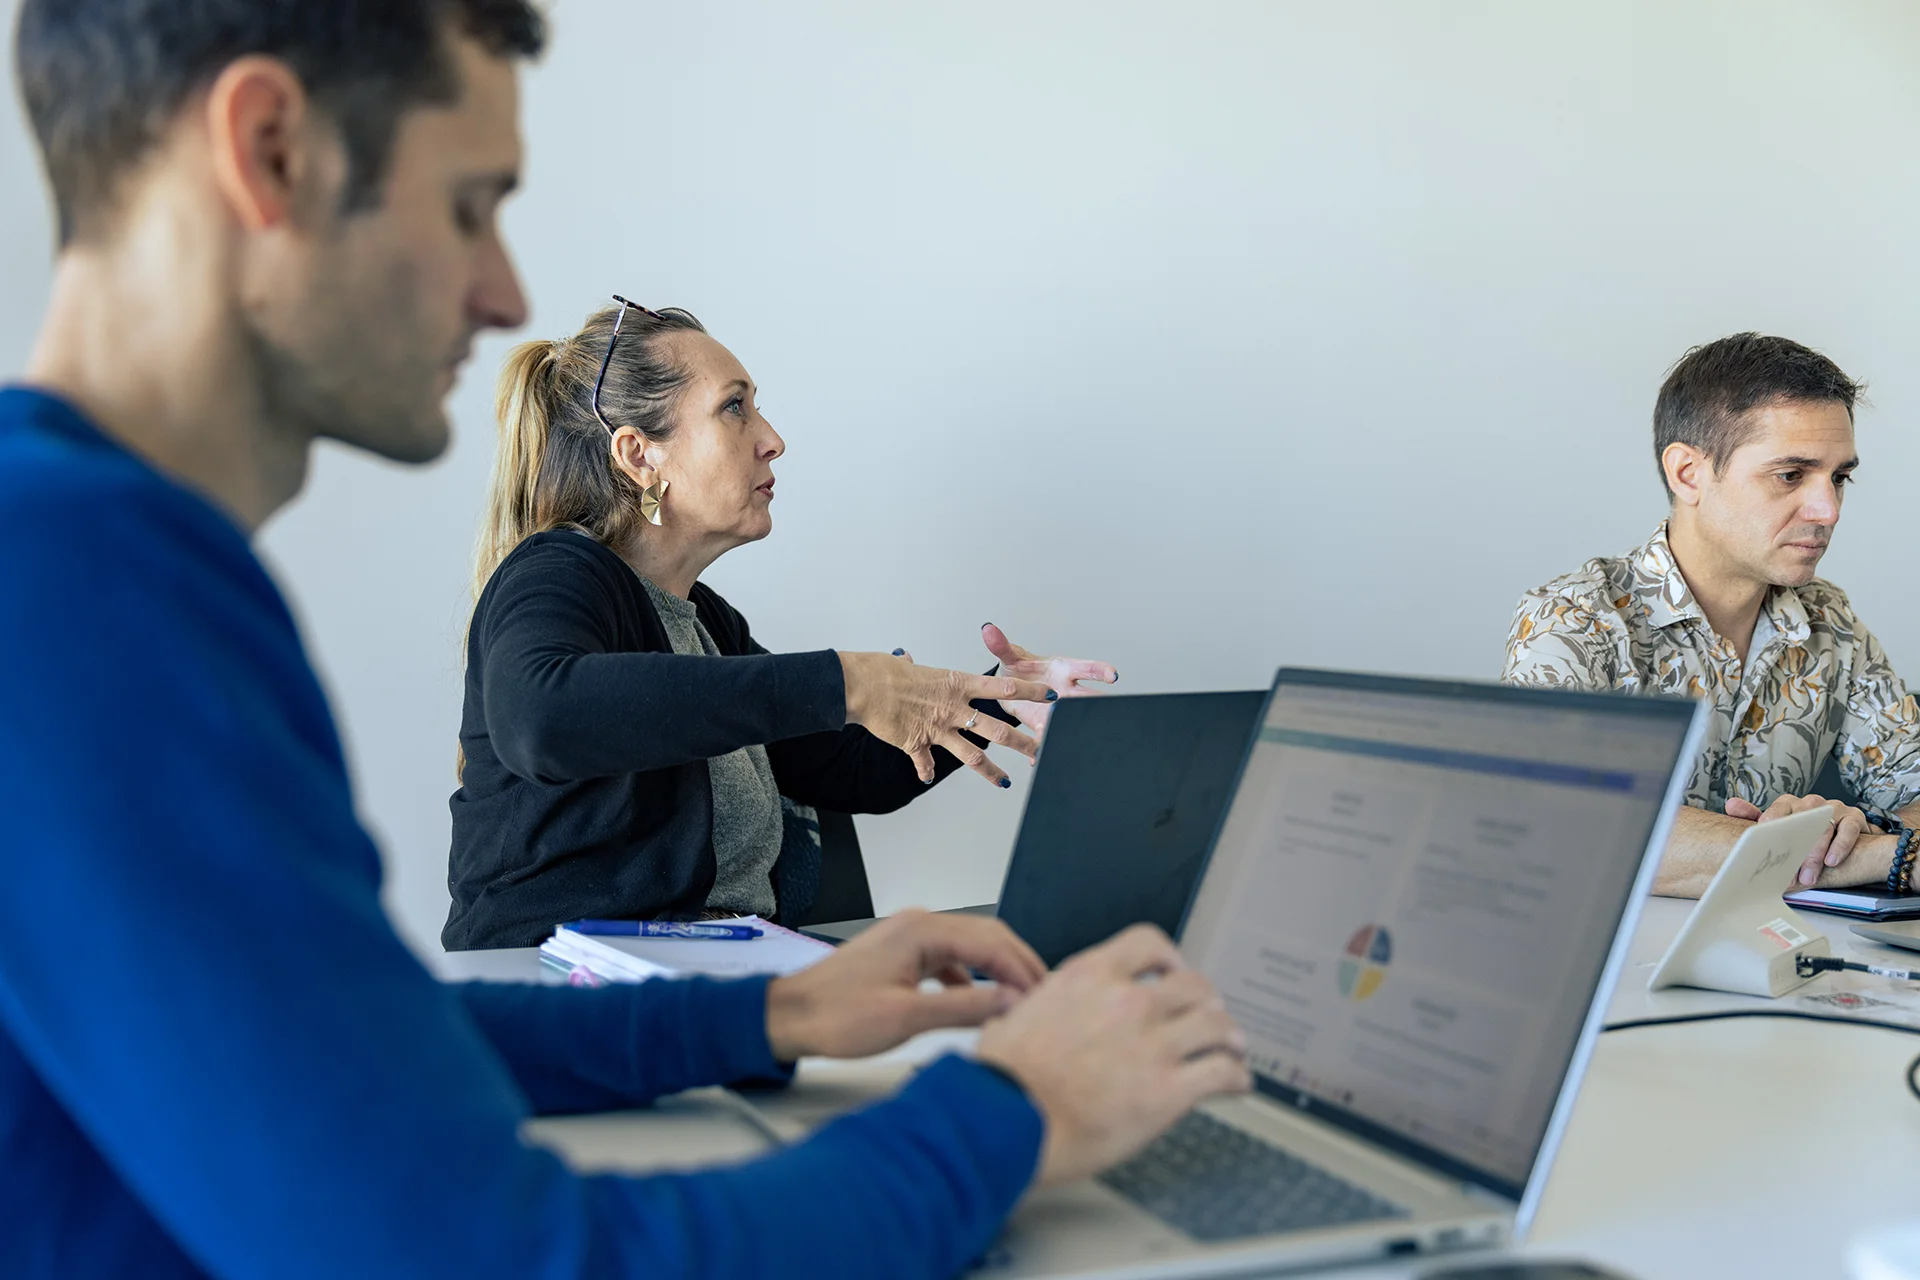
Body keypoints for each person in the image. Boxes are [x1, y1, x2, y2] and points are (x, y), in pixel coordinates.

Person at [0, 3, 1250, 1277]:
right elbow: (505, 1256)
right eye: (469, 204)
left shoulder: (78, 557)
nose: (503, 294)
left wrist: (773, 1008)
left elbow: (331, 1046)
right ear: (268, 151)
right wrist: (1013, 1113)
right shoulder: (76, 589)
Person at [446, 302, 1117, 948]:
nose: (772, 440)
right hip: (560, 986)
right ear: (639, 455)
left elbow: (852, 772)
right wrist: (847, 680)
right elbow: (540, 719)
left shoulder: (706, 622)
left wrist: (995, 697)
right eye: (734, 408)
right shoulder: (556, 573)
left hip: (710, 970)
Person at [1503, 333, 1920, 897]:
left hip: (1770, 956)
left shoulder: (1830, 619)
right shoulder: (1576, 619)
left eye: (1839, 477)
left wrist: (1846, 834)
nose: (1828, 510)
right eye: (1791, 475)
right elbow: (1568, 826)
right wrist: (1875, 855)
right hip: (1606, 972)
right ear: (1688, 474)